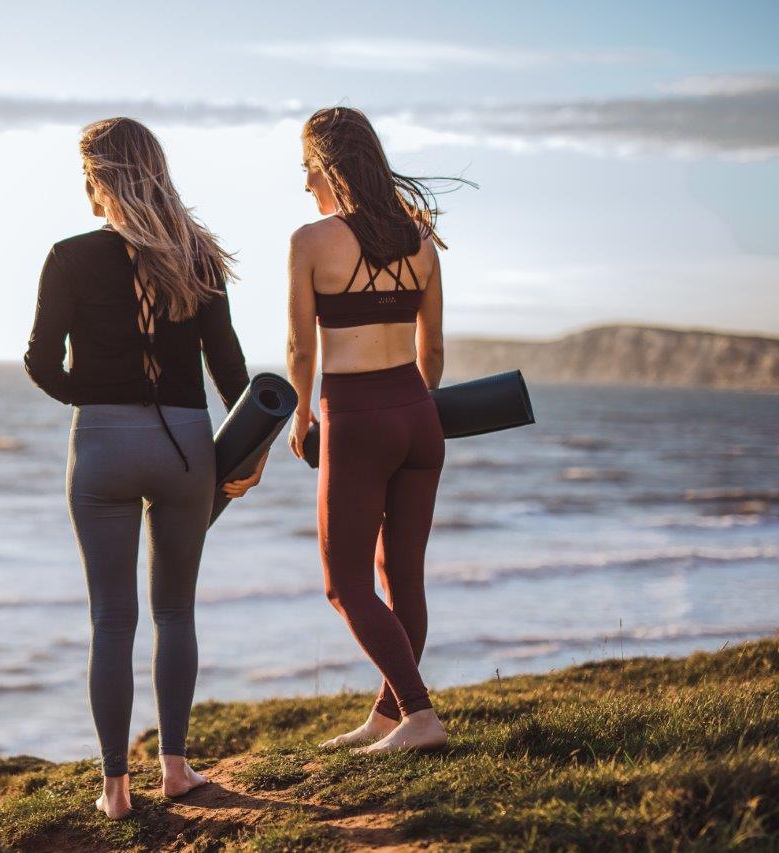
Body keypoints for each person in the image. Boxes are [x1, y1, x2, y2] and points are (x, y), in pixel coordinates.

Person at [24, 117, 263, 819]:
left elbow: (41, 363)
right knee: (175, 611)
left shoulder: (67, 256)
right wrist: (247, 454)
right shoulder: (198, 258)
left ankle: (115, 789)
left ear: (102, 180)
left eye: (87, 175)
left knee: (111, 618)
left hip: (101, 445)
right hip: (187, 446)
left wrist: (94, 400)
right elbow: (233, 374)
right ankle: (178, 769)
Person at [286, 106, 464, 753]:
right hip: (419, 415)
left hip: (356, 417)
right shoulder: (421, 238)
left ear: (330, 167)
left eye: (307, 169)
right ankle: (390, 716)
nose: (305, 184)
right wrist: (409, 408)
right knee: (403, 577)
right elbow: (434, 350)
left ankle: (419, 713)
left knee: (347, 584)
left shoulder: (311, 242)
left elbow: (300, 350)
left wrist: (303, 415)